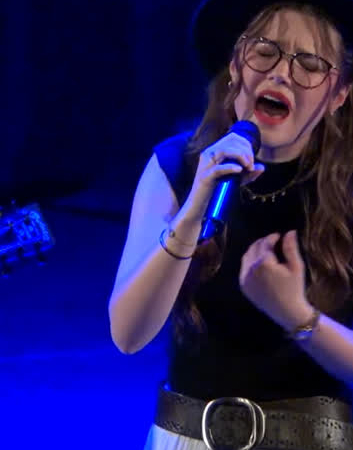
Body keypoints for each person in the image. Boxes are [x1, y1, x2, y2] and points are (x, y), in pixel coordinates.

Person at [109, 0, 353, 449]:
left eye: (310, 64)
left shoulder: (346, 191)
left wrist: (298, 317)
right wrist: (192, 212)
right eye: (265, 52)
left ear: (339, 95)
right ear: (236, 66)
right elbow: (128, 334)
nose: (281, 73)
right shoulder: (178, 168)